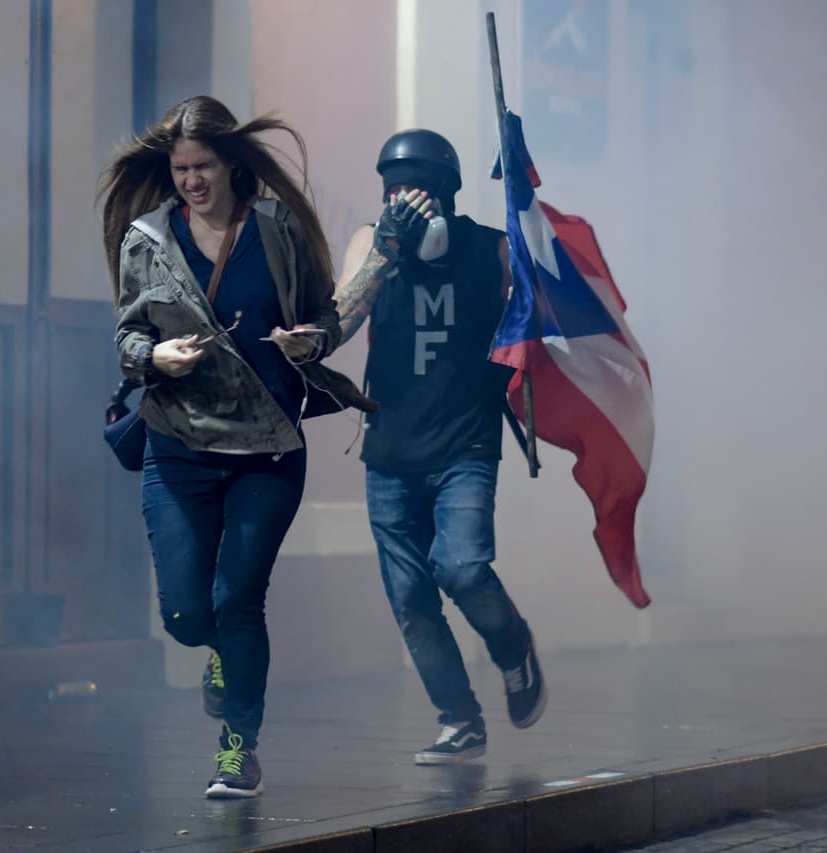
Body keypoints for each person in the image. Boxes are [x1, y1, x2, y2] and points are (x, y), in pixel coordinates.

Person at [98, 95, 371, 797]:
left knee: (239, 599)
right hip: (179, 446)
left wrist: (309, 339)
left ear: (231, 165)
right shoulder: (147, 239)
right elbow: (127, 336)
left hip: (269, 446)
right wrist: (156, 357)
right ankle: (216, 653)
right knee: (190, 615)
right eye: (181, 168)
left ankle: (237, 748)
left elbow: (325, 313)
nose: (191, 179)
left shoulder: (275, 228)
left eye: (203, 166)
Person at [333, 129, 546, 764]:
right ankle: (458, 719)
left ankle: (511, 644)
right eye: (394, 187)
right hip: (390, 451)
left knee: (461, 567)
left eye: (417, 187)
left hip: (465, 444)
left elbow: (536, 319)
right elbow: (339, 320)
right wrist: (383, 253)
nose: (404, 198)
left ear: (447, 192)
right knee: (411, 600)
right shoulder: (370, 243)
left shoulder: (490, 248)